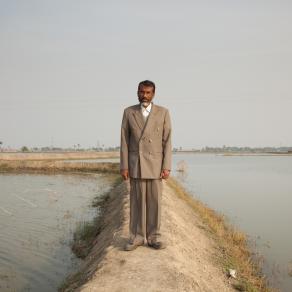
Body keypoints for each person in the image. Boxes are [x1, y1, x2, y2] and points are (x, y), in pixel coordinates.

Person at [120, 80, 172, 251]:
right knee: (136, 203)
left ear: (154, 94)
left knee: (155, 203)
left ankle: (154, 237)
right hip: (137, 164)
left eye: (148, 92)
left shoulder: (163, 113)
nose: (145, 95)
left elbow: (167, 141)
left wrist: (167, 166)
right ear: (137, 92)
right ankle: (136, 237)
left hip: (156, 165)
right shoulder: (129, 112)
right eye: (142, 92)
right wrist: (124, 166)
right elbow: (124, 142)